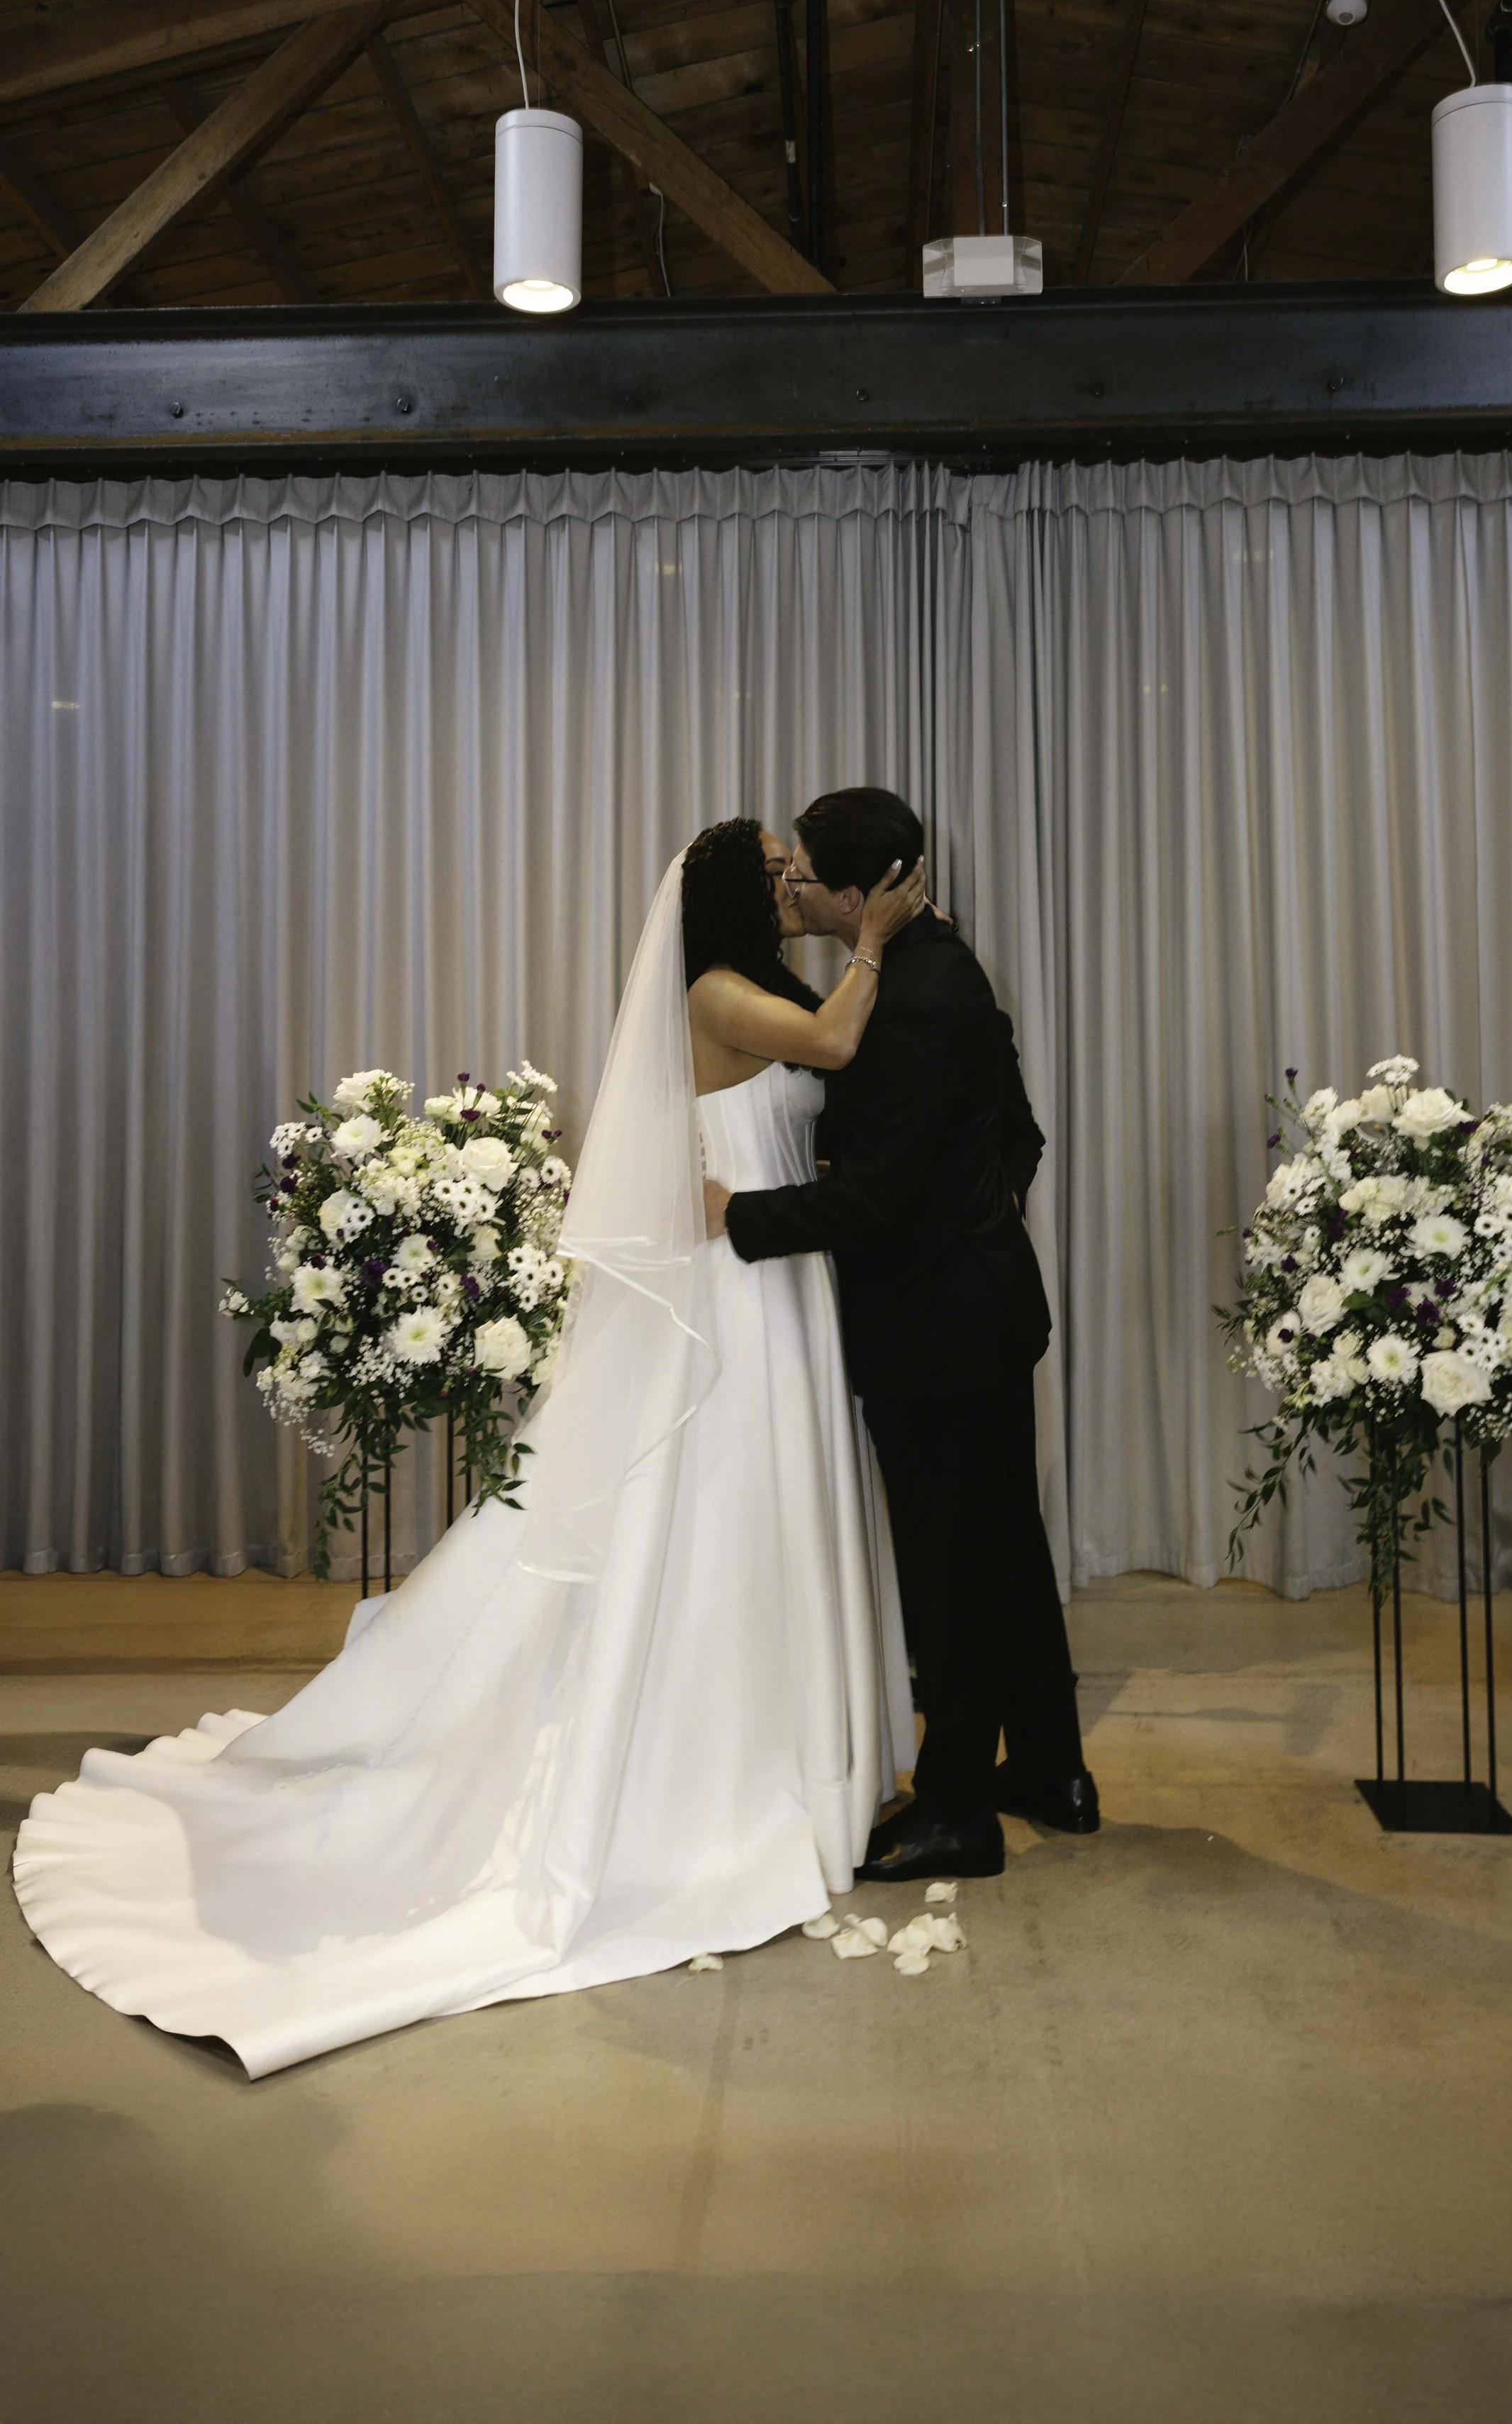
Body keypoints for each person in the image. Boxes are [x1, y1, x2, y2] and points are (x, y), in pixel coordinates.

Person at [11, 824, 922, 2077]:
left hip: (777, 1278)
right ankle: (715, 1773)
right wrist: (871, 941)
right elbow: (830, 1049)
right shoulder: (721, 993)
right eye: (770, 872)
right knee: (712, 1513)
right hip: (734, 1299)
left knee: (767, 1517)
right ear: (726, 895)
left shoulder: (758, 985)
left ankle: (799, 1754)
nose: (788, 884)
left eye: (789, 869)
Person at [705, 788, 1096, 1884]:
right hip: (981, 1304)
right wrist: (977, 1220)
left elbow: (871, 1203)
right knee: (1008, 1547)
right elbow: (1015, 1134)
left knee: (951, 1572)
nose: (796, 891)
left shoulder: (911, 995)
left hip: (939, 1326)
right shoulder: (942, 964)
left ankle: (960, 1808)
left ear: (857, 888)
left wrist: (737, 1214)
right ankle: (1056, 1772)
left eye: (808, 874)